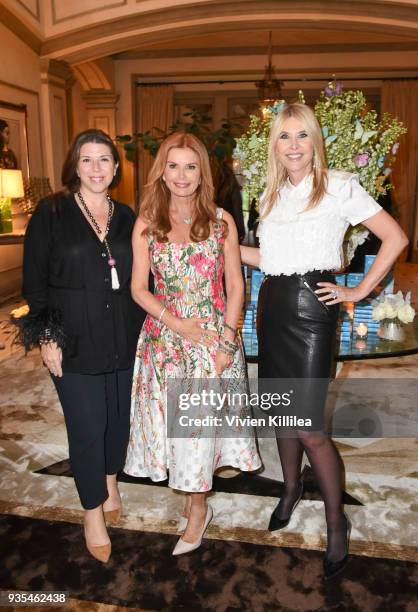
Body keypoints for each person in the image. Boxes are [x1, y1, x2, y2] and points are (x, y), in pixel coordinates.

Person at [240, 102, 408, 579]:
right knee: (280, 412)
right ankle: (290, 490)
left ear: (315, 141)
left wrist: (359, 289)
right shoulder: (270, 195)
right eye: (284, 136)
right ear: (274, 144)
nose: (293, 145)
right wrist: (228, 242)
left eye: (301, 135)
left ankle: (337, 521)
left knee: (310, 425)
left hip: (314, 314)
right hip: (271, 305)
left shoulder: (339, 186)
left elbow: (395, 238)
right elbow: (269, 256)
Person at [124, 132, 261, 555]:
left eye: (190, 166)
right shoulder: (147, 221)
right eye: (173, 166)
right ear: (161, 172)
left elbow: (237, 286)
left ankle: (199, 510)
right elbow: (139, 290)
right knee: (177, 434)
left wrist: (228, 339)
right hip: (165, 339)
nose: (181, 176)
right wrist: (177, 324)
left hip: (214, 341)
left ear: (203, 172)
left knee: (197, 433)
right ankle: (191, 498)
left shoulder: (221, 220)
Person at [19, 129, 146, 563]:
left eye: (104, 160)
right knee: (88, 425)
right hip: (71, 339)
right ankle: (91, 511)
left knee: (118, 419)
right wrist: (47, 336)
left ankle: (110, 480)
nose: (96, 168)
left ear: (115, 167)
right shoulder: (51, 211)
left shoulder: (128, 216)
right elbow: (34, 283)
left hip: (123, 335)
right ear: (75, 165)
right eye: (87, 160)